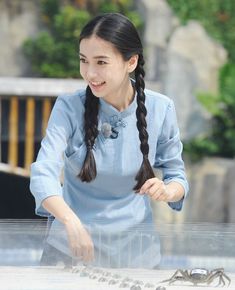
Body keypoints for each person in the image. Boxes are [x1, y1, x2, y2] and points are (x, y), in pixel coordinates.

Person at [30, 12, 189, 269]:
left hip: (136, 254)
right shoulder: (68, 108)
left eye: (101, 62)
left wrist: (167, 190)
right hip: (71, 249)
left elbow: (177, 177)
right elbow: (42, 172)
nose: (90, 73)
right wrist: (70, 221)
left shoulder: (161, 108)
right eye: (84, 61)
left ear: (131, 62)